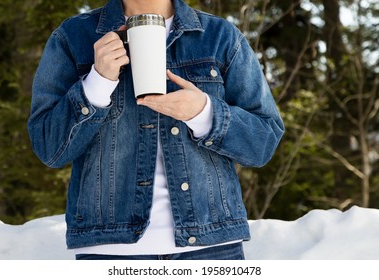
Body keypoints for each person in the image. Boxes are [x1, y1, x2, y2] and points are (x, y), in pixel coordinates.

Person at [27, 0, 284, 260]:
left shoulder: (220, 37)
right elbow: (50, 148)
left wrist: (204, 113)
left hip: (211, 249)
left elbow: (263, 141)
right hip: (110, 252)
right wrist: (97, 82)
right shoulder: (73, 37)